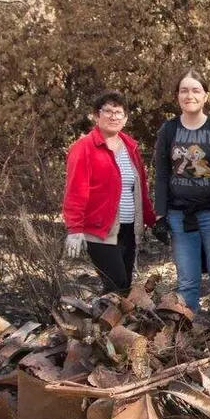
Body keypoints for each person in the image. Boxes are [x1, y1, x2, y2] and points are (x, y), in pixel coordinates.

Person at [152, 69, 210, 336]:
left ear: (205, 96)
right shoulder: (169, 130)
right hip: (181, 215)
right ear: (178, 96)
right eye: (184, 90)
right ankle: (186, 336)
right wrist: (160, 214)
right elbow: (163, 174)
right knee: (187, 281)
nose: (189, 95)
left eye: (195, 90)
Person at [63, 90, 158, 294]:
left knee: (123, 288)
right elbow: (75, 191)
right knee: (117, 285)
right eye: (108, 111)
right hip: (101, 230)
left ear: (125, 118)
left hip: (129, 229)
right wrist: (74, 228)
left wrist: (152, 220)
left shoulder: (130, 147)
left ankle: (108, 325)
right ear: (96, 116)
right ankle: (105, 323)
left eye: (119, 112)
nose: (114, 116)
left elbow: (140, 189)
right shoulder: (84, 147)